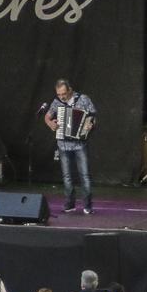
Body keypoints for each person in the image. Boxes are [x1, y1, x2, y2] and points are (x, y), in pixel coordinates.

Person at [43, 79, 97, 214]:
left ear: (70, 90)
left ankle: (87, 206)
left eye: (64, 94)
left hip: (80, 144)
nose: (62, 97)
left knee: (84, 175)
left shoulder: (83, 99)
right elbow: (47, 117)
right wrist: (51, 124)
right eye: (59, 94)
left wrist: (90, 125)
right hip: (63, 144)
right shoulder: (57, 103)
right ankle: (69, 204)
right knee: (67, 176)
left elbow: (93, 116)